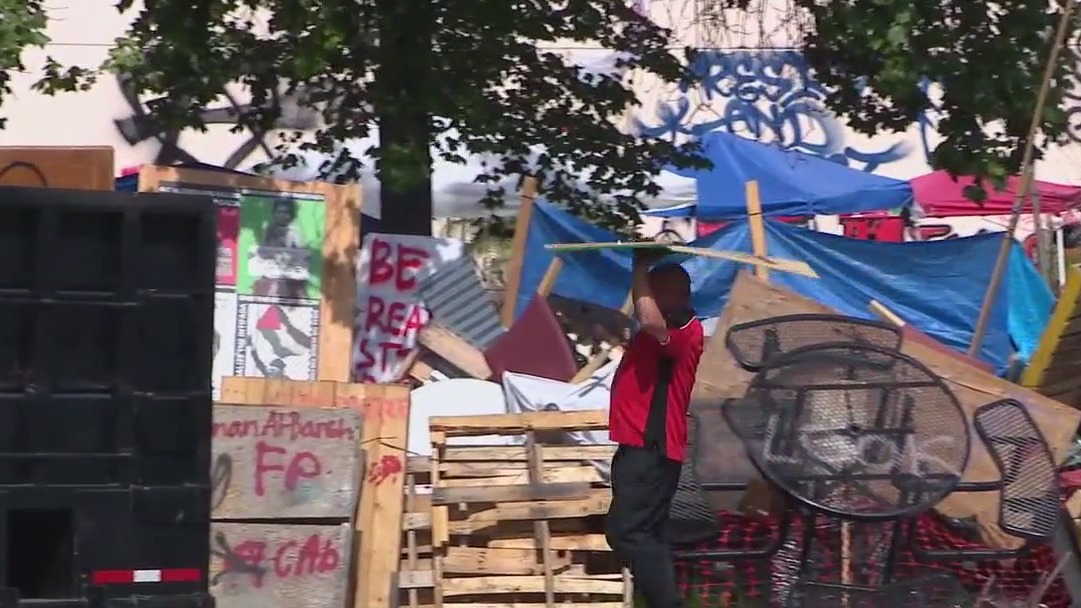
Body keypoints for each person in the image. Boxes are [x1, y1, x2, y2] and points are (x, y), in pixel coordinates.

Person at [605, 248, 704, 608]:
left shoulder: (681, 326)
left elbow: (648, 319)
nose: (645, 295)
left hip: (653, 448)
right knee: (648, 534)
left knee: (626, 532)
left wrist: (640, 266)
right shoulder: (666, 326)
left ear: (677, 294)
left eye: (652, 289)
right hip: (641, 446)